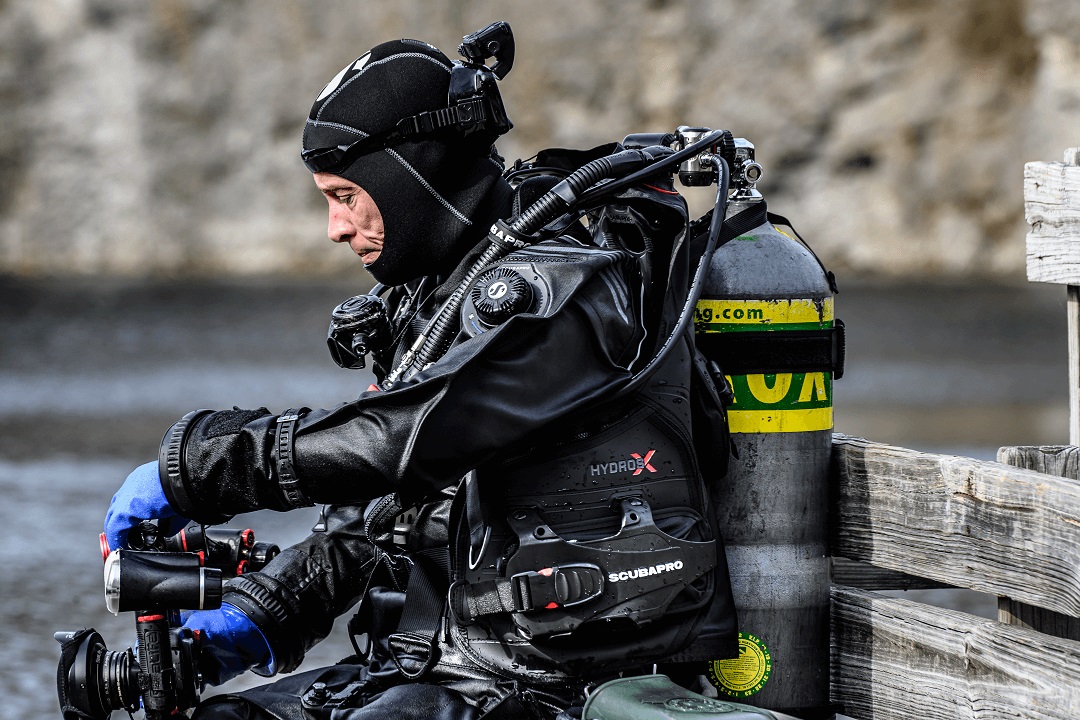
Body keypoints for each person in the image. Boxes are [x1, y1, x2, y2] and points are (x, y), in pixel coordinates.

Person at [103, 27, 738, 720]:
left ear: (408, 177)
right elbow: (388, 516)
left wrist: (194, 468)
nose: (335, 229)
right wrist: (257, 620)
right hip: (438, 664)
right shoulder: (449, 289)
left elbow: (397, 444)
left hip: (550, 684)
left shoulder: (568, 290)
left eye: (346, 195)